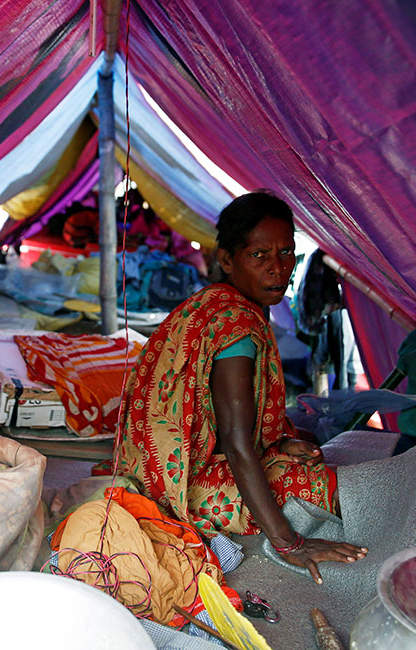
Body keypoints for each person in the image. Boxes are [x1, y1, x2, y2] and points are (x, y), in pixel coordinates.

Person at [117, 191, 366, 584]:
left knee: (298, 454)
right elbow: (235, 443)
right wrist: (290, 543)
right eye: (259, 255)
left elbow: (220, 421)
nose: (277, 269)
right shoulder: (235, 325)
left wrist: (279, 441)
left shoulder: (214, 305)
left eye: (286, 253)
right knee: (317, 485)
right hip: (179, 485)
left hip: (154, 464)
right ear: (227, 260)